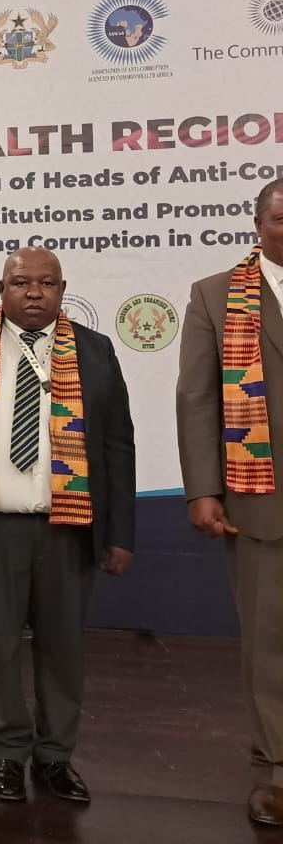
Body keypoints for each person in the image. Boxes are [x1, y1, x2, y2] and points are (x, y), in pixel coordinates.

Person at [0, 246, 134, 806]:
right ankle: (7, 753)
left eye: (47, 283)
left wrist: (120, 532)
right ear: (1, 289)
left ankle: (56, 756)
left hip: (70, 527)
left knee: (64, 648)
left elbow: (117, 444)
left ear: (63, 290)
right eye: (21, 282)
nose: (34, 292)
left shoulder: (95, 350)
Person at [176, 177, 283, 826]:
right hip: (261, 500)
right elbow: (197, 399)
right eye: (282, 219)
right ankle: (276, 773)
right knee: (270, 644)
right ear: (259, 226)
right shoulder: (215, 296)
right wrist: (203, 489)